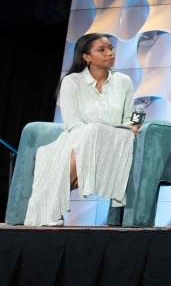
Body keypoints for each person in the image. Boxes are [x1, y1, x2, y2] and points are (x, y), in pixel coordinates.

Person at [25, 33, 138, 227]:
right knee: (92, 131)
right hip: (77, 138)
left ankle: (49, 207)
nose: (110, 53)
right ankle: (50, 207)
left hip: (114, 140)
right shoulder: (72, 81)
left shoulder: (124, 81)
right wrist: (100, 129)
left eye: (110, 48)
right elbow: (73, 125)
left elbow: (127, 120)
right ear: (86, 57)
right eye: (101, 50)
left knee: (97, 131)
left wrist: (129, 127)